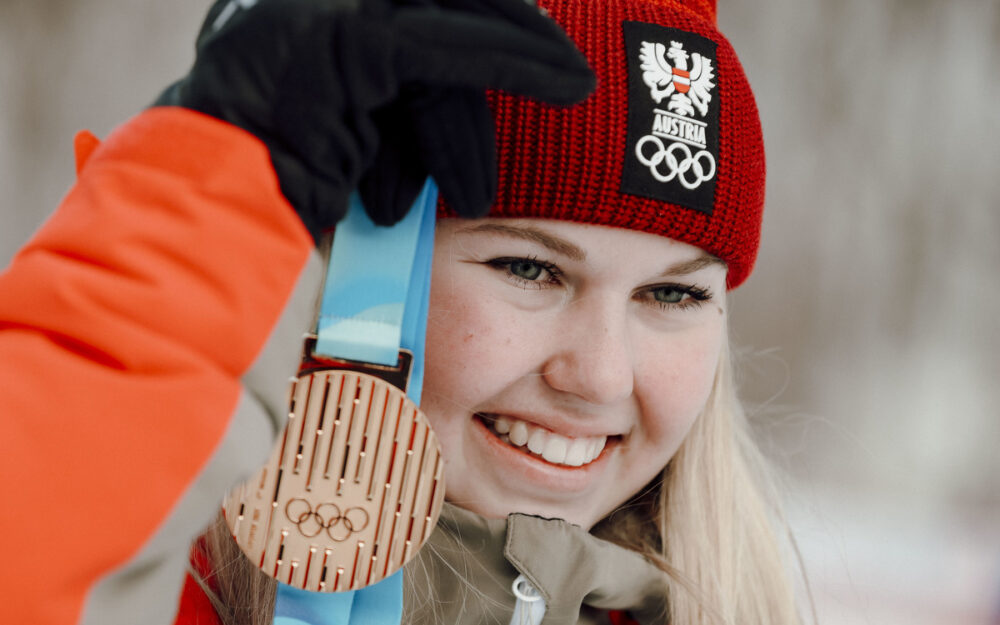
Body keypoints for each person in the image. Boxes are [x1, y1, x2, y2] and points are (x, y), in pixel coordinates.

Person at [0, 0, 804, 624]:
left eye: (674, 293)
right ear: (347, 267)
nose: (598, 377)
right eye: (528, 268)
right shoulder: (151, 588)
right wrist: (215, 200)